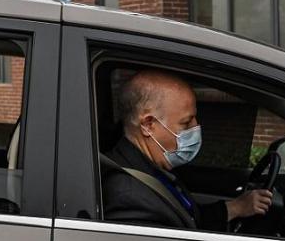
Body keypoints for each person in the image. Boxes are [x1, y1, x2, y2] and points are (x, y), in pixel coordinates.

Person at [103, 69, 272, 231]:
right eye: (186, 122)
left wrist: (235, 208)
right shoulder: (129, 196)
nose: (196, 127)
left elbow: (189, 218)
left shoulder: (152, 168)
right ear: (148, 125)